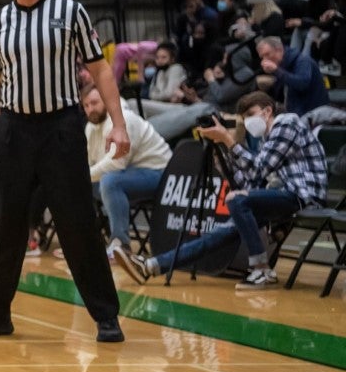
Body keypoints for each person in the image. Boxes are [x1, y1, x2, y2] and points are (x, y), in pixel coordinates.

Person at [0, 0, 127, 343]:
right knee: (7, 225)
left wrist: (118, 124)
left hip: (60, 128)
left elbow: (101, 70)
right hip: (13, 130)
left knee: (77, 224)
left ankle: (106, 317)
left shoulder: (70, 12)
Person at [113, 91, 326, 290]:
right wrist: (223, 162)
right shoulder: (266, 139)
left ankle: (262, 271)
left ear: (268, 111)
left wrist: (228, 139)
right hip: (282, 196)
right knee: (217, 234)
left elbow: (258, 169)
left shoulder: (287, 123)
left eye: (251, 114)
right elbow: (250, 182)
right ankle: (151, 266)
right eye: (245, 117)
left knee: (236, 200)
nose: (250, 121)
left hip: (303, 196)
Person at [81, 84, 170, 255]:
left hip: (160, 173)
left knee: (109, 181)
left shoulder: (124, 119)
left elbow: (116, 164)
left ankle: (120, 244)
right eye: (86, 105)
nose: (90, 109)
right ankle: (85, 242)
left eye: (94, 103)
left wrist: (83, 177)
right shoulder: (91, 127)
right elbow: (89, 162)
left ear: (107, 101)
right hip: (130, 174)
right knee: (80, 186)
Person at [255, 35, 329, 116]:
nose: (265, 60)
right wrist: (268, 86)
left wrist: (276, 71)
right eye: (262, 57)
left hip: (310, 112)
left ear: (279, 50)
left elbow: (302, 84)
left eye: (267, 54)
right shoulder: (281, 65)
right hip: (294, 110)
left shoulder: (302, 61)